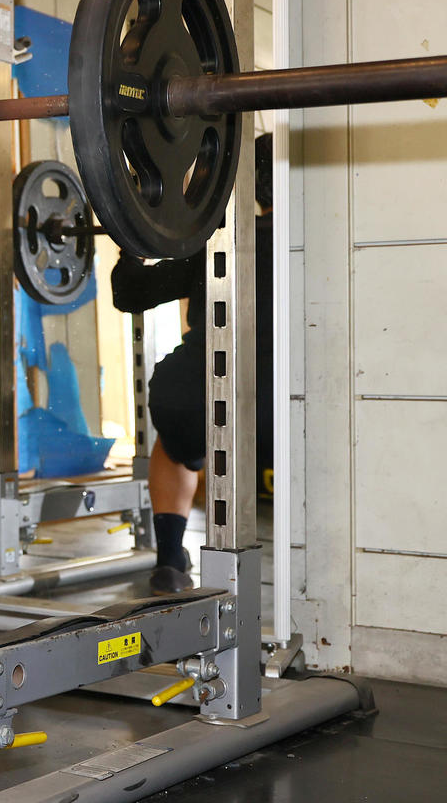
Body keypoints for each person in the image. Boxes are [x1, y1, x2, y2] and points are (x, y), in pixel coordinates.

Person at [110, 133, 274, 595]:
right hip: (275, 405)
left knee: (175, 443)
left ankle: (169, 561)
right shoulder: (317, 246)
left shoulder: (221, 240)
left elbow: (130, 293)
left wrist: (131, 246)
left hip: (190, 394)